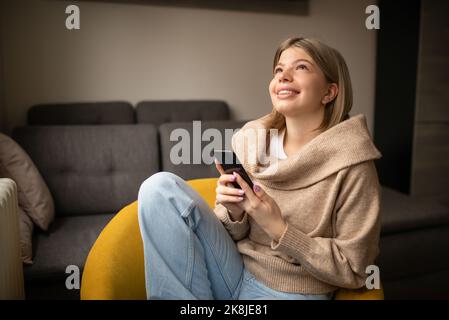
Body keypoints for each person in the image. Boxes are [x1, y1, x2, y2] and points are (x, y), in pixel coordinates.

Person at [137, 37, 382, 300]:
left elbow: (355, 270)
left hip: (293, 291)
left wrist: (279, 229)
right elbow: (235, 233)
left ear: (329, 92)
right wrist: (234, 213)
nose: (284, 76)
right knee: (159, 188)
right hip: (235, 271)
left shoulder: (352, 164)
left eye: (301, 67)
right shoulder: (254, 142)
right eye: (279, 70)